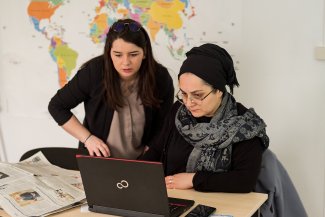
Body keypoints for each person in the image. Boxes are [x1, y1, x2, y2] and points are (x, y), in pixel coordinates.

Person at [141, 43, 269, 193]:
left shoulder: (245, 126)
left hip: (223, 206)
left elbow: (244, 180)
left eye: (198, 95)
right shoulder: (178, 112)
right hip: (174, 199)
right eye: (183, 94)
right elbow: (156, 150)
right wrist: (134, 174)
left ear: (219, 90)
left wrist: (193, 179)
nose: (188, 103)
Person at [48, 18, 174, 159]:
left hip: (143, 162)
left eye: (133, 54)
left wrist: (153, 147)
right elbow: (57, 106)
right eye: (118, 55)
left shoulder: (161, 78)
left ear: (144, 53)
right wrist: (88, 139)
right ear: (109, 53)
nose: (125, 62)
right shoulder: (93, 72)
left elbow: (166, 122)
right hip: (97, 161)